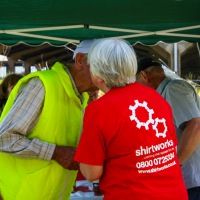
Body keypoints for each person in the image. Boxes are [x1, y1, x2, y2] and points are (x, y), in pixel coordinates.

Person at [74, 38, 188, 200]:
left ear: (98, 75)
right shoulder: (155, 97)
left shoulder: (99, 110)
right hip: (175, 194)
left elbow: (91, 173)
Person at [0, 39, 98, 200]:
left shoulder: (81, 97)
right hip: (15, 194)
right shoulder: (42, 85)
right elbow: (5, 138)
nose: (107, 76)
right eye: (102, 68)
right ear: (80, 60)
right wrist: (56, 153)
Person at [136, 57, 200, 200]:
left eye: (134, 84)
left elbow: (195, 126)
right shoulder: (166, 91)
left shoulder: (173, 89)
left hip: (192, 182)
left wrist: (174, 166)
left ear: (144, 76)